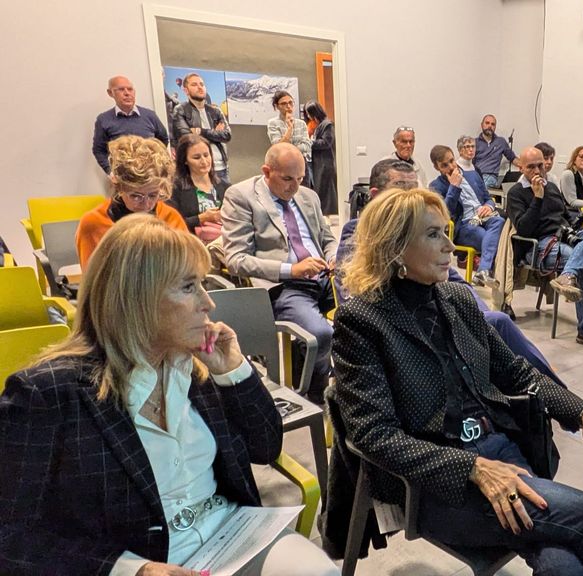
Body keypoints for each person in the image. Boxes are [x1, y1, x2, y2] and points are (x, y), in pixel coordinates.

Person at [0, 215, 339, 576]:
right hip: (138, 557)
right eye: (189, 287)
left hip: (230, 535)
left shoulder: (196, 368)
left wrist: (234, 371)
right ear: (136, 299)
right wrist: (132, 570)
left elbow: (265, 448)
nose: (208, 303)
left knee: (319, 573)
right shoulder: (47, 393)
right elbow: (11, 536)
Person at [331, 188, 583, 575]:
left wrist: (580, 411)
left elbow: (515, 371)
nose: (450, 246)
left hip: (501, 451)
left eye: (446, 231)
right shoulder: (362, 320)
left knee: (562, 566)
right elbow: (373, 435)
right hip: (438, 482)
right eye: (433, 234)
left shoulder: (456, 297)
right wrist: (473, 467)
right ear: (394, 247)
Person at [334, 158, 583, 432]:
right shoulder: (358, 234)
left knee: (495, 321)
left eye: (414, 188)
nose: (410, 196)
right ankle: (561, 404)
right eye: (401, 188)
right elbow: (355, 291)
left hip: (439, 314)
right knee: (496, 325)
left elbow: (456, 283)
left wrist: (473, 312)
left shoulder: (429, 243)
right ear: (376, 195)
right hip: (405, 329)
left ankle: (566, 405)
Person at [221, 143, 337, 404]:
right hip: (285, 285)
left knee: (367, 316)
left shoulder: (308, 196)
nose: (294, 187)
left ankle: (344, 379)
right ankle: (317, 394)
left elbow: (328, 238)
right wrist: (291, 269)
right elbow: (236, 259)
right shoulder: (241, 196)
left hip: (324, 277)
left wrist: (332, 257)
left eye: (300, 179)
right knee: (321, 334)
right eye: (287, 179)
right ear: (266, 171)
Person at [505, 147, 583, 350]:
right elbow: (524, 228)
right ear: (521, 168)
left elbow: (563, 214)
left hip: (565, 235)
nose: (537, 171)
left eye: (540, 165)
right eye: (531, 167)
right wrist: (537, 198)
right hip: (539, 245)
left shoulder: (551, 186)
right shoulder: (516, 193)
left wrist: (577, 223)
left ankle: (568, 275)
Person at [77, 135, 188, 269]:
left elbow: (186, 271)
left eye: (153, 195)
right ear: (119, 186)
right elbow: (93, 279)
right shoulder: (93, 224)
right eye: (136, 196)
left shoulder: (171, 218)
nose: (146, 204)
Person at [429, 144, 505, 287]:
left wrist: (488, 206)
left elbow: (488, 197)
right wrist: (454, 187)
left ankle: (483, 272)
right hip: (463, 225)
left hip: (482, 216)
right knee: (493, 240)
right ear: (437, 168)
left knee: (499, 221)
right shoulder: (436, 186)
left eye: (452, 161)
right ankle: (484, 271)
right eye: (444, 165)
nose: (451, 167)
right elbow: (445, 214)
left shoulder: (472, 175)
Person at [92, 75, 169, 174]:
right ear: (110, 93)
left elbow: (163, 140)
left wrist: (157, 163)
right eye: (121, 89)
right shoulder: (104, 119)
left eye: (130, 89)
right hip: (123, 177)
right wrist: (111, 172)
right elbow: (99, 150)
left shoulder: (150, 115)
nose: (127, 93)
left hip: (151, 175)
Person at [167, 134, 229, 244]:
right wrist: (201, 218)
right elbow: (169, 225)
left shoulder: (225, 187)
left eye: (206, 155)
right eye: (196, 157)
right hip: (189, 244)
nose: (204, 161)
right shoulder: (174, 189)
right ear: (185, 160)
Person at [171, 73, 231, 184]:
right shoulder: (180, 110)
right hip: (196, 170)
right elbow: (187, 139)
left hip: (221, 168)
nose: (200, 87)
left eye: (202, 84)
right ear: (186, 90)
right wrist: (214, 133)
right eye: (194, 85)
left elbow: (227, 135)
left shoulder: (216, 111)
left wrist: (200, 131)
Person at [267, 91, 313, 188]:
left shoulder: (301, 124)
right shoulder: (273, 123)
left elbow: (306, 146)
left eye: (290, 103)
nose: (288, 106)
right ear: (277, 106)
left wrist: (288, 148)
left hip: (301, 163)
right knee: (285, 191)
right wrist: (290, 128)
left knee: (303, 193)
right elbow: (278, 147)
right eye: (284, 103)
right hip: (282, 165)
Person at [303, 100, 338, 216]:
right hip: (317, 163)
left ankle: (329, 214)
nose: (308, 116)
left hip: (325, 163)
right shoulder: (316, 125)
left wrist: (309, 143)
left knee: (326, 191)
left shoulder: (327, 125)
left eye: (309, 113)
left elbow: (326, 142)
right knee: (319, 189)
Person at [474, 115, 519, 189]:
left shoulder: (501, 142)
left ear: (495, 127)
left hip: (491, 177)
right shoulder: (474, 142)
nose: (490, 126)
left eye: (493, 124)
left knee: (480, 187)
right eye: (487, 123)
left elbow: (513, 158)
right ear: (482, 125)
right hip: (476, 176)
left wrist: (525, 166)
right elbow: (468, 162)